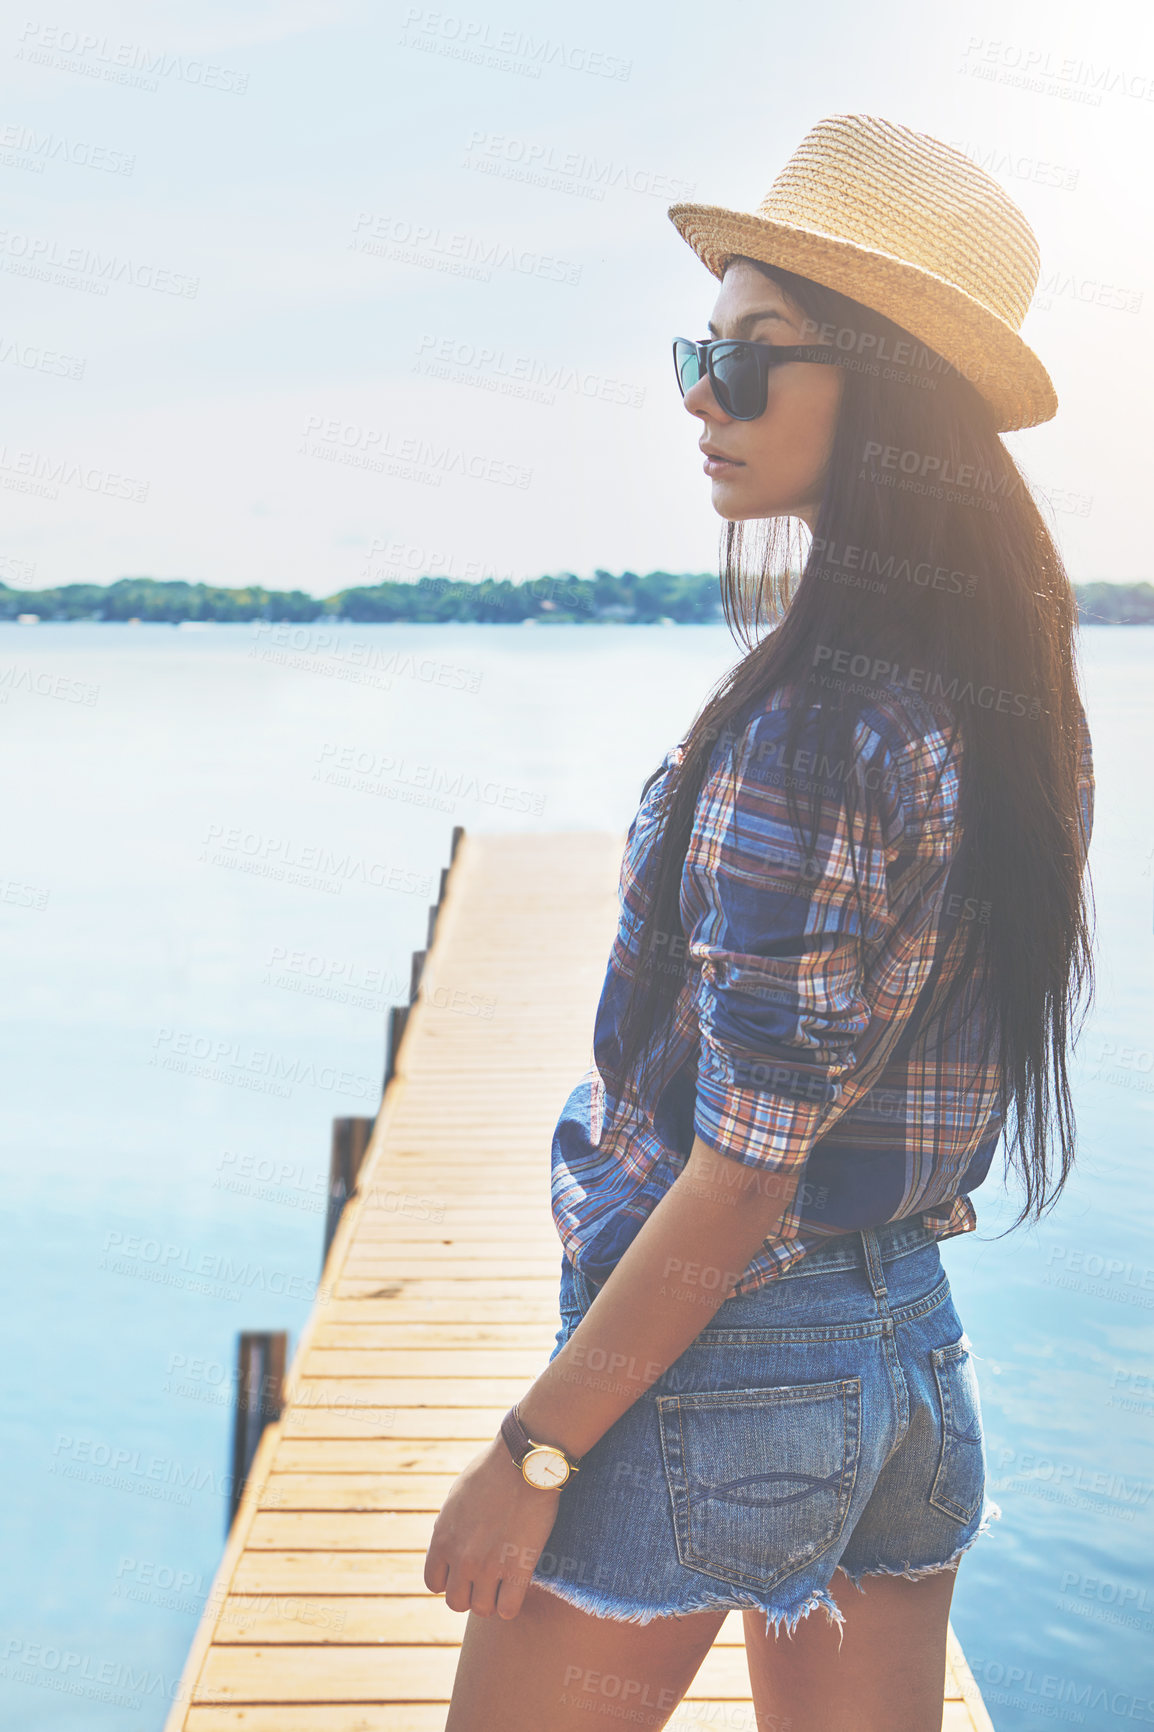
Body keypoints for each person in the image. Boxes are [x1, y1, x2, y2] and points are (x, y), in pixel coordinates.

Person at [426, 113, 1096, 1732]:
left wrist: (530, 1452)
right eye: (698, 354)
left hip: (727, 1368)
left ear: (888, 391)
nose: (697, 397)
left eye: (749, 360)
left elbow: (741, 1171)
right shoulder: (1007, 699)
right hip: (907, 1360)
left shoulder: (817, 725)